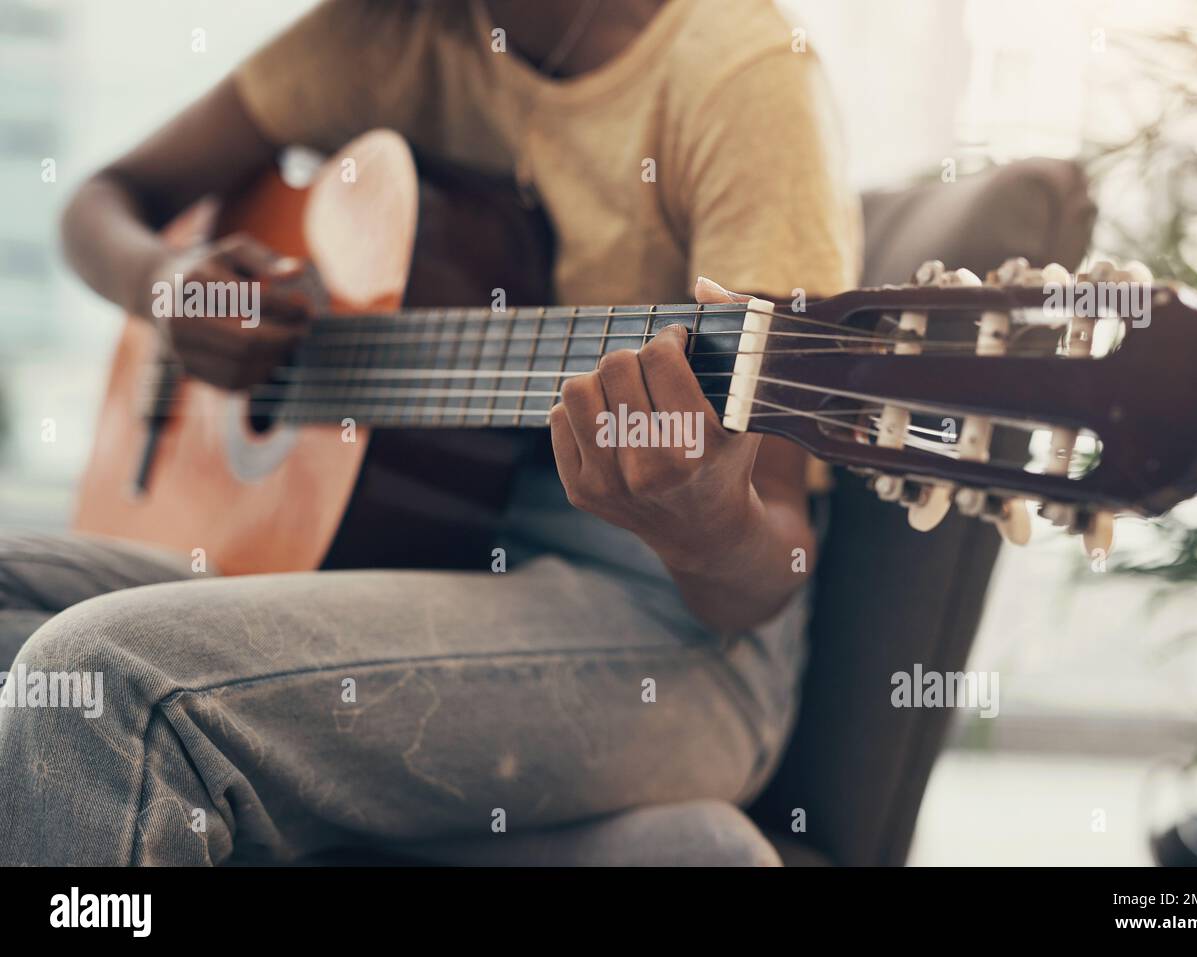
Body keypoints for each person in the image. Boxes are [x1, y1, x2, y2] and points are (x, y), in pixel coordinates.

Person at [0, 0, 860, 865]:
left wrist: (704, 520)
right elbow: (104, 199)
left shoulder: (741, 78)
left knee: (105, 680)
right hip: (413, 554)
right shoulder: (389, 28)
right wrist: (167, 282)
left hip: (675, 628)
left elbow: (764, 575)